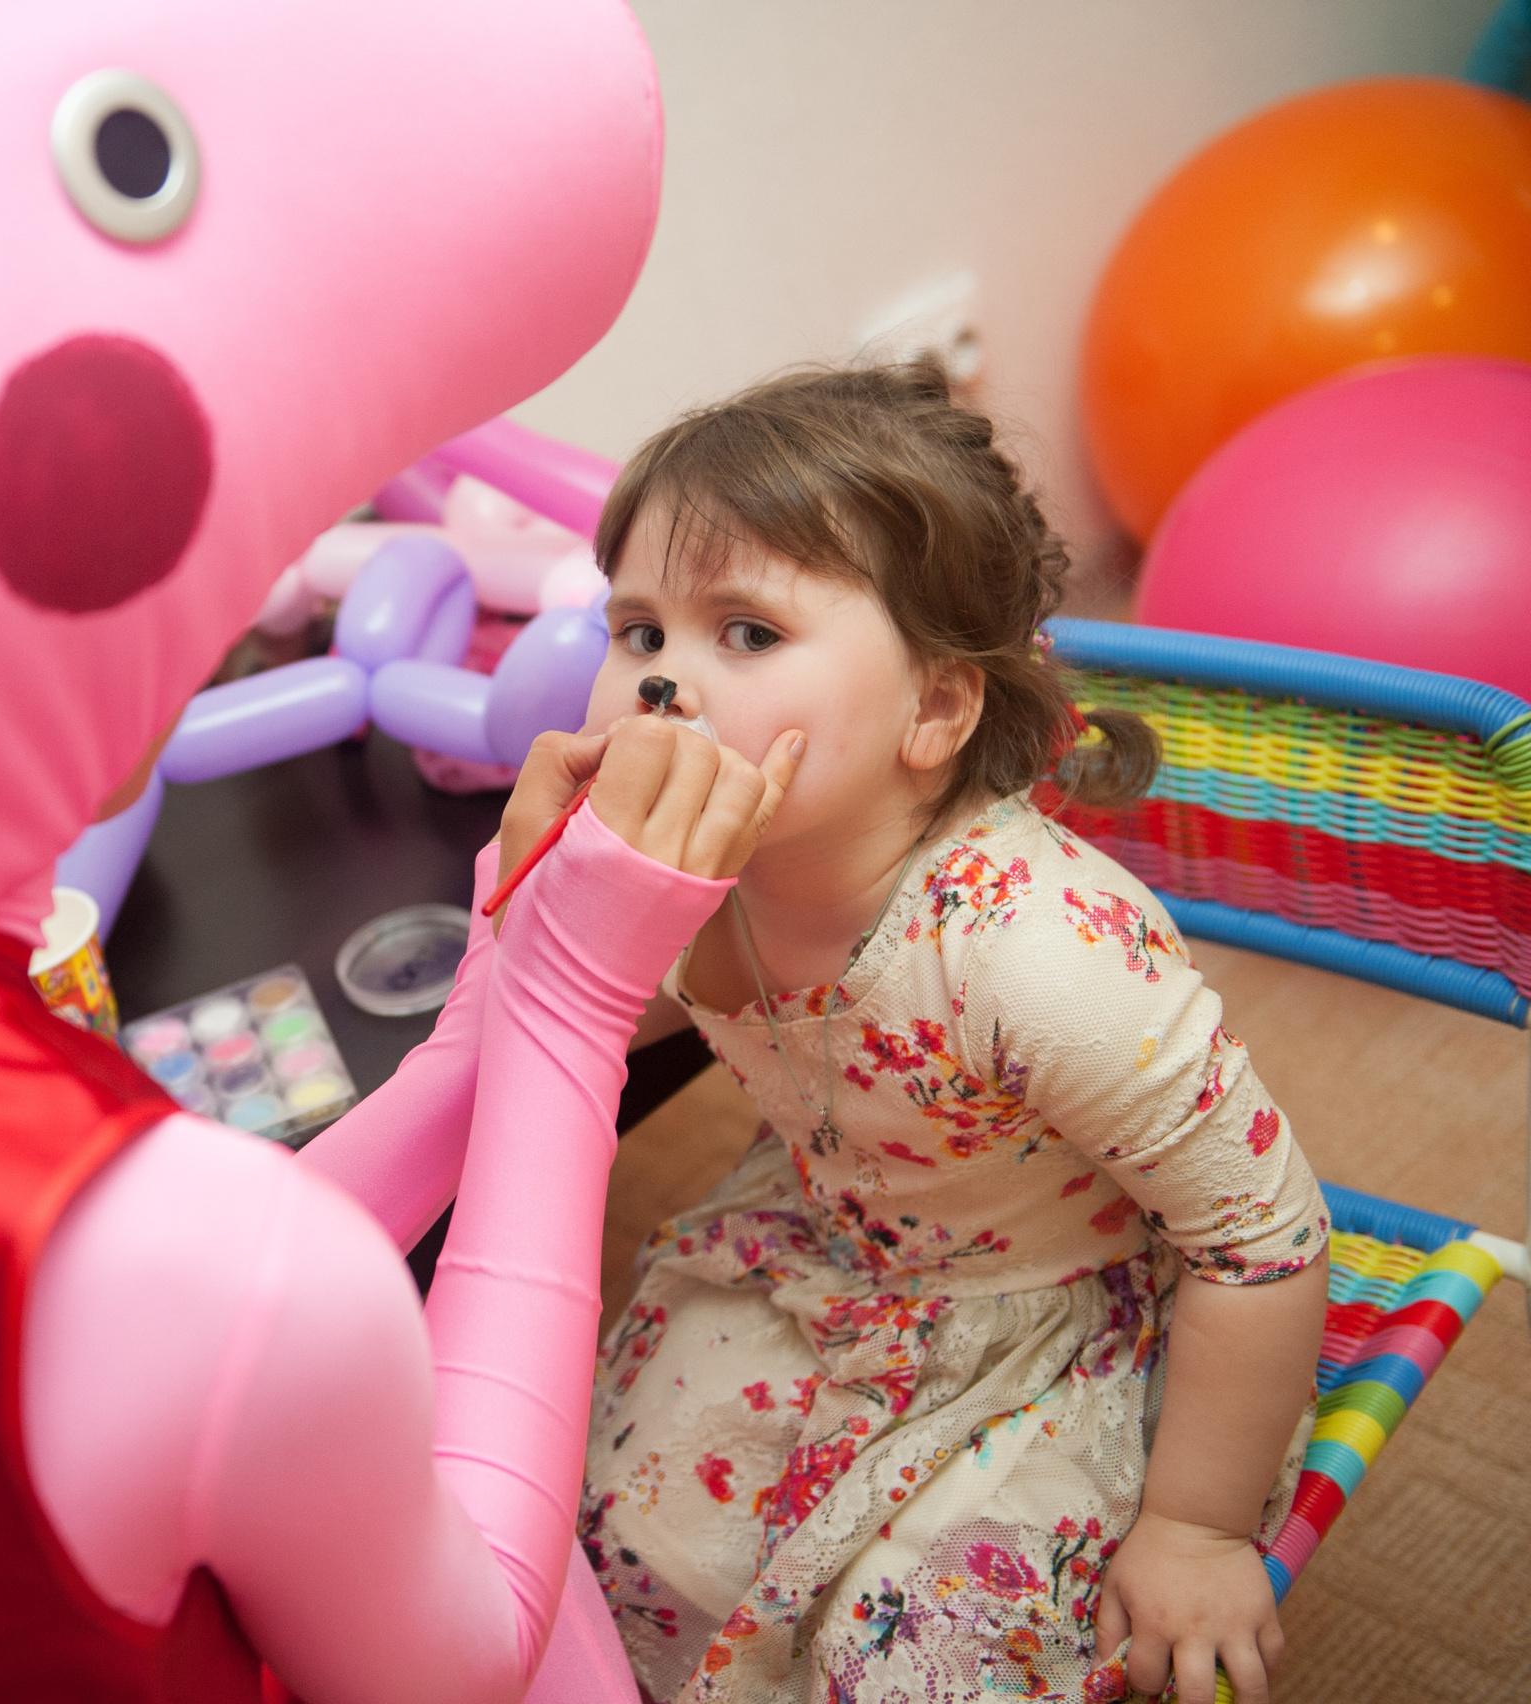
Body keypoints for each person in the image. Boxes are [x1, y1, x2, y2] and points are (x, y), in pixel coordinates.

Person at [553, 366, 1328, 1704]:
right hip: (823, 1247)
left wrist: (1198, 1525)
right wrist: (555, 902)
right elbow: (576, 1021)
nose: (666, 681)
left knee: (920, 1663)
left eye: (744, 632)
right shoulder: (696, 871)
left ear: (935, 709)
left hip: (1057, 1314)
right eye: (639, 630)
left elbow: (1263, 1242)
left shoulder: (1040, 955)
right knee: (622, 1543)